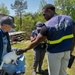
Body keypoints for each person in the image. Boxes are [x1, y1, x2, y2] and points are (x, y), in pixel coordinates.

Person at [16, 4, 75, 75]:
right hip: (67, 52)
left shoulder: (47, 25)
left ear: (49, 11)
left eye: (44, 14)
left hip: (54, 53)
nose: (44, 17)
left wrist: (25, 49)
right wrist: (72, 48)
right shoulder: (69, 19)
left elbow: (36, 42)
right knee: (63, 73)